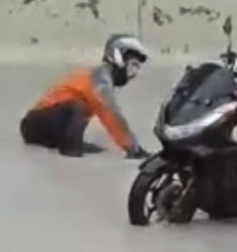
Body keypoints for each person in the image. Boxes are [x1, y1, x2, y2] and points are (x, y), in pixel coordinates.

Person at [20, 34, 151, 159]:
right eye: (133, 64)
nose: (134, 73)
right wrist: (134, 149)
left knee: (80, 108)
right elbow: (112, 115)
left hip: (43, 125)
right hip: (35, 125)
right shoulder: (100, 79)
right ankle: (71, 148)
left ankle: (71, 144)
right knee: (77, 106)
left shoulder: (99, 78)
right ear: (119, 58)